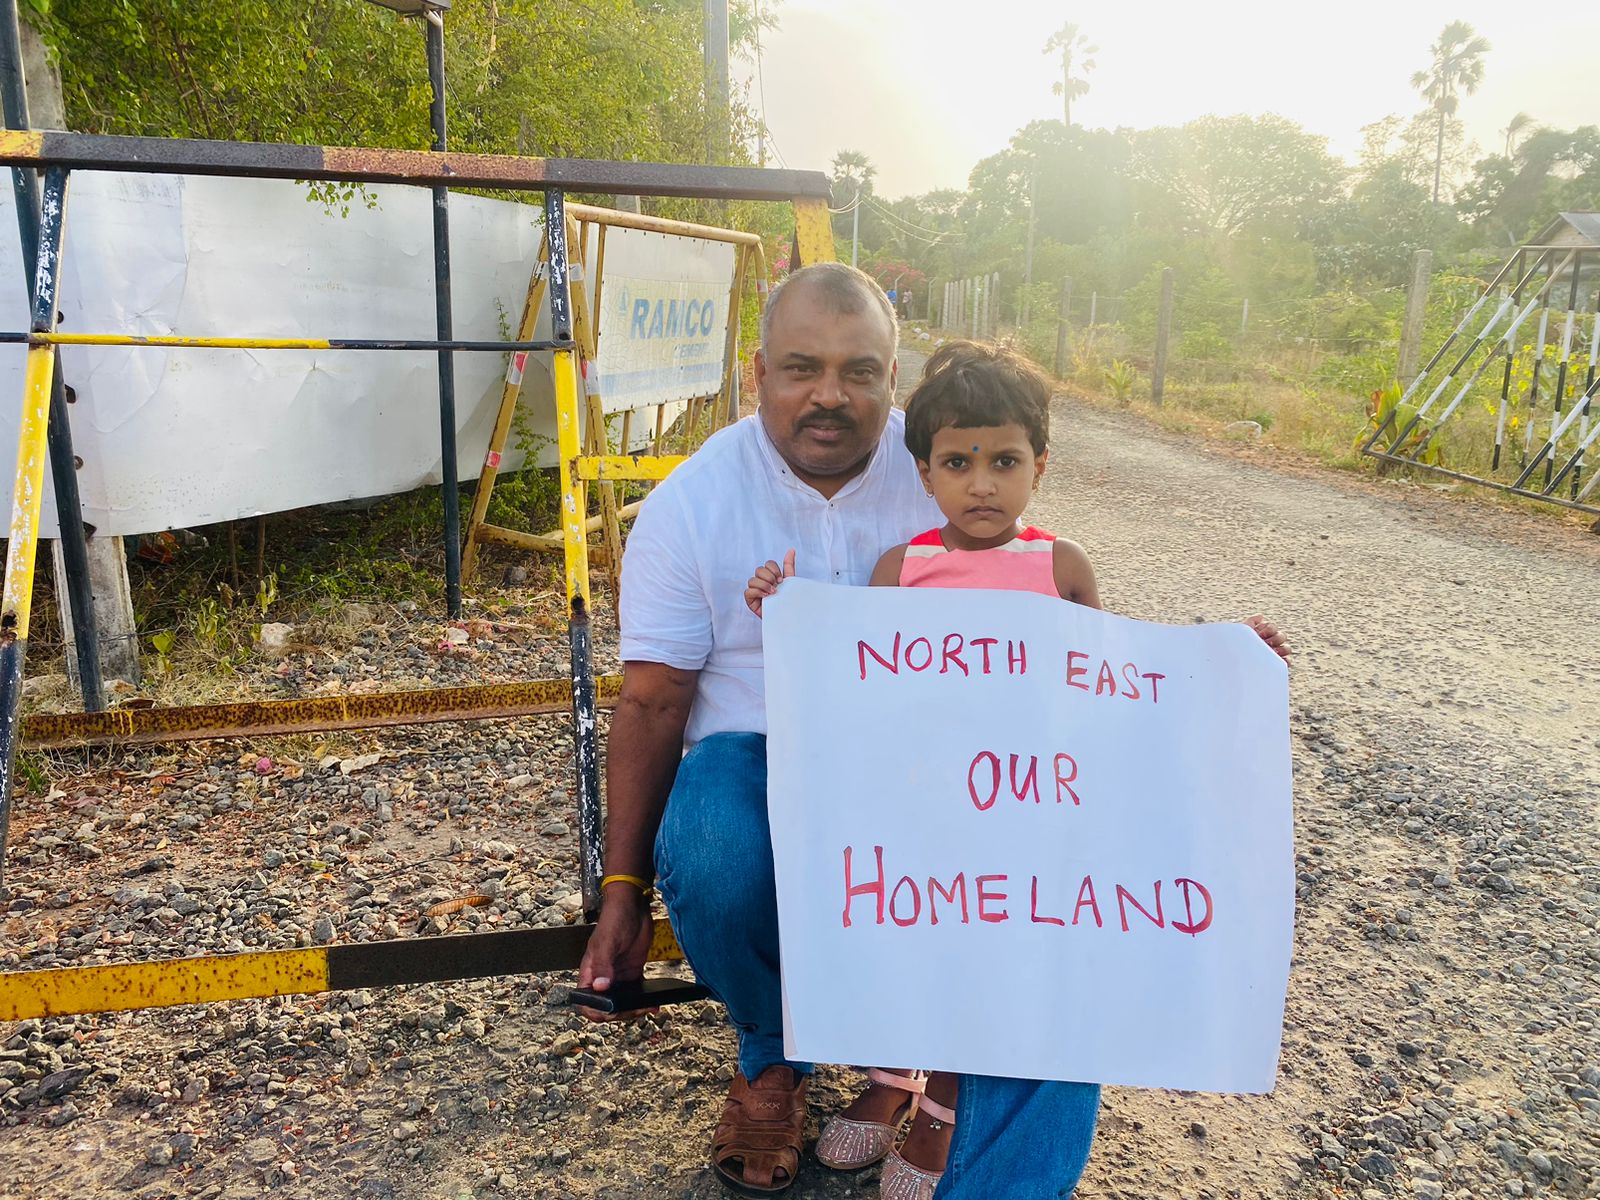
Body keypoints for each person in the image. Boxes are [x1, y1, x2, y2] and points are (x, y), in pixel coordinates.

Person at [743, 340, 1290, 1199]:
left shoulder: (1061, 567)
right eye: (958, 463)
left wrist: (1227, 665)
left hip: (1033, 820)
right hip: (925, 807)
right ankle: (896, 1077)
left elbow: (1118, 685)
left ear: (1041, 462)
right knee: (910, 942)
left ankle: (949, 1101)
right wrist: (786, 613)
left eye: (1005, 460)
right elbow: (853, 679)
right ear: (924, 473)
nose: (983, 483)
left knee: (993, 957)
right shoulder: (903, 569)